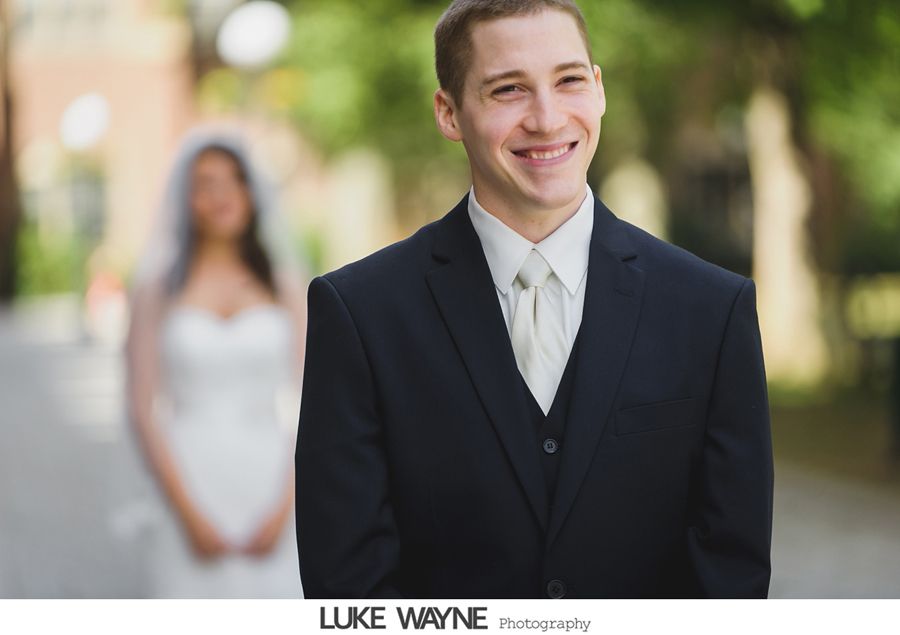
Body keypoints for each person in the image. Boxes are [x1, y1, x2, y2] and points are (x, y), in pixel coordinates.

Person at [296, 0, 772, 599]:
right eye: (508, 90)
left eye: (569, 80)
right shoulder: (359, 314)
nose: (547, 119)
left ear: (598, 90)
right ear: (449, 112)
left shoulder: (713, 310)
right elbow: (347, 587)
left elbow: (732, 574)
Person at [126, 130, 306, 598]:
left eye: (233, 182)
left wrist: (286, 504)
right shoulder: (157, 291)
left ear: (251, 193)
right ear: (185, 199)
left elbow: (313, 399)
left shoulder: (285, 287)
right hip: (186, 481)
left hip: (271, 484)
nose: (220, 196)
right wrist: (188, 515)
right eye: (205, 184)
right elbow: (141, 410)